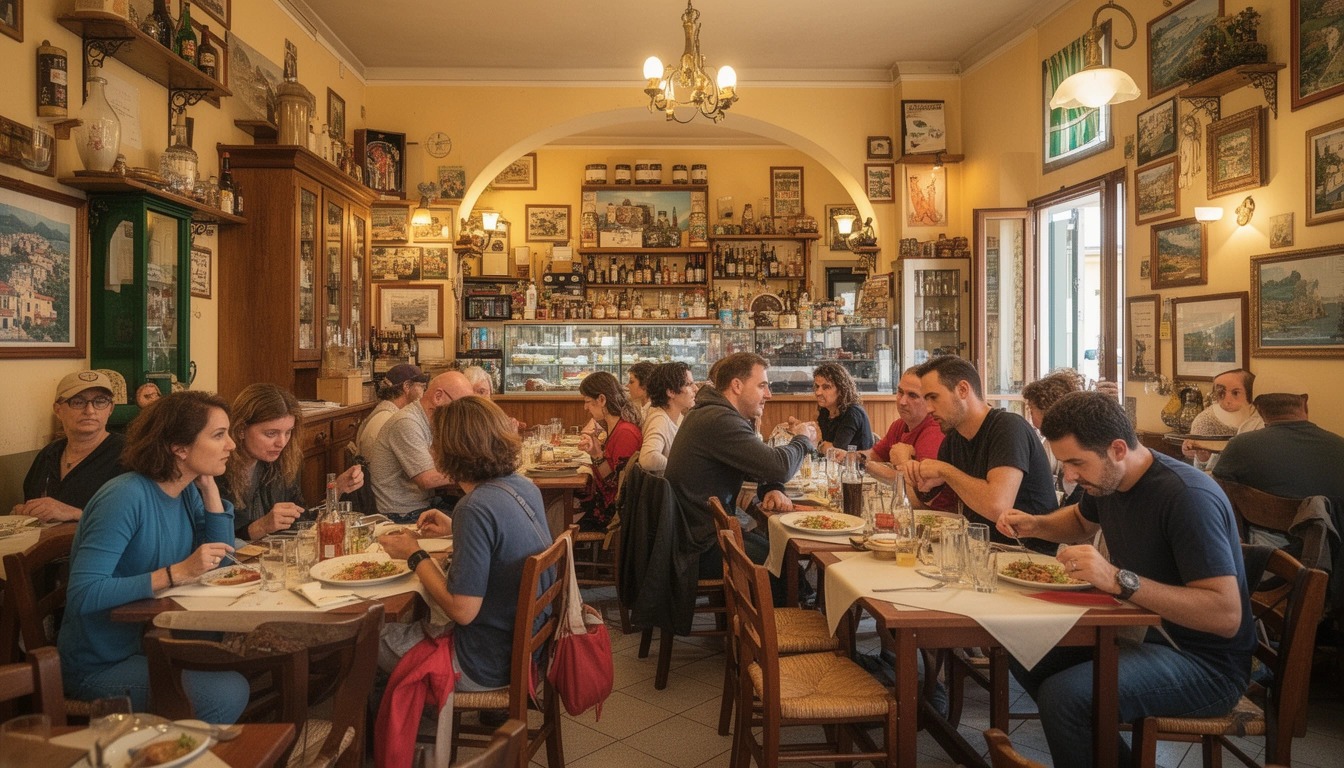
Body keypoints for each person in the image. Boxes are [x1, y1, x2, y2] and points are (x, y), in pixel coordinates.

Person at [997, 392, 1254, 767]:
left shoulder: (1187, 498)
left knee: (1065, 698)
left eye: (1075, 463)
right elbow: (1082, 521)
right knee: (1025, 650)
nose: (1068, 476)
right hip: (1143, 634)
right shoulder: (1107, 481)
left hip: (1205, 664)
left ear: (1118, 449)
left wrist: (1119, 579)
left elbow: (1225, 615)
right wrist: (1035, 523)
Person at [58, 391, 250, 723]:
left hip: (154, 641)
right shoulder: (124, 497)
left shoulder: (185, 488)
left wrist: (209, 488)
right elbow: (83, 594)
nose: (231, 445)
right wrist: (175, 573)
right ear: (179, 447)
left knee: (242, 653)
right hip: (103, 663)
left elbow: (222, 562)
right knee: (228, 691)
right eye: (219, 435)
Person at [377, 396, 554, 738]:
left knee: (366, 637)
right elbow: (502, 547)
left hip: (484, 664)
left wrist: (415, 554)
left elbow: (463, 610)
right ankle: (419, 723)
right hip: (528, 652)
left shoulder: (474, 508)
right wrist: (455, 529)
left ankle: (380, 743)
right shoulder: (522, 486)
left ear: (448, 451)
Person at [664, 352, 817, 591]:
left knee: (781, 553)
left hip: (695, 536)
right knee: (785, 566)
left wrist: (773, 487)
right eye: (762, 386)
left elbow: (759, 467)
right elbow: (779, 466)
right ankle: (789, 623)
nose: (769, 394)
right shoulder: (719, 419)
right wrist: (802, 439)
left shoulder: (714, 413)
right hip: (699, 548)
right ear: (737, 385)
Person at [901, 356, 1056, 547]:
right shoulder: (953, 439)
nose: (929, 408)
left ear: (963, 390)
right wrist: (914, 477)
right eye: (926, 399)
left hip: (1029, 557)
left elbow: (997, 506)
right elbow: (929, 507)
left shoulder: (1008, 427)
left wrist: (945, 471)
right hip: (978, 551)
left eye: (933, 397)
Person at [217, 384, 363, 542]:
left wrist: (337, 489)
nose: (282, 443)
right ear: (240, 430)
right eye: (271, 433)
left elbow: (302, 521)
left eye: (288, 432)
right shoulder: (217, 470)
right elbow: (212, 540)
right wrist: (260, 527)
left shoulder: (281, 464)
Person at [16, 371, 126, 522]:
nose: (90, 411)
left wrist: (75, 513)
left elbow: (139, 521)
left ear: (111, 409)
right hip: (49, 544)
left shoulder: (129, 454)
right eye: (78, 402)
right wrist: (25, 513)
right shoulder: (48, 455)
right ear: (58, 410)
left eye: (100, 401)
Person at [368, 371, 474, 521]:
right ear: (438, 397)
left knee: (476, 516)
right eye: (460, 407)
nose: (462, 414)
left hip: (424, 505)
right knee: (473, 522)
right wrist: (475, 472)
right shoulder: (407, 422)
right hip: (402, 515)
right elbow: (427, 479)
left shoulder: (429, 420)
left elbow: (442, 461)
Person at [1213, 393, 1344, 501]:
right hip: (1334, 531)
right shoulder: (1339, 445)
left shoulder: (1240, 445)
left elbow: (1218, 494)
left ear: (1258, 409)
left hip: (1262, 530)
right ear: (1305, 404)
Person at [863, 368, 953, 510]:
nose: (902, 401)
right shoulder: (900, 425)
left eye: (913, 395)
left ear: (928, 401)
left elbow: (918, 498)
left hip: (935, 518)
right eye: (900, 392)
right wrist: (853, 457)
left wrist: (900, 462)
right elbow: (874, 455)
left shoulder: (934, 431)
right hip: (908, 510)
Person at [574, 371, 643, 532]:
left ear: (602, 399)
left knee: (554, 508)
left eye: (588, 402)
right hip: (604, 503)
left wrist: (597, 455)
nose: (585, 407)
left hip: (610, 514)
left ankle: (557, 552)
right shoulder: (614, 426)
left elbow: (618, 486)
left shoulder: (625, 433)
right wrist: (594, 452)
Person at [1022, 371, 1085, 506]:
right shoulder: (1050, 444)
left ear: (1047, 410)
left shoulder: (1081, 443)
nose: (1032, 421)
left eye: (1032, 410)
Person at [1182, 368, 1263, 471]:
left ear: (1250, 392)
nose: (1227, 400)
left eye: (1235, 393)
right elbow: (1200, 469)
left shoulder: (1261, 416)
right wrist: (1201, 456)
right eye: (1221, 394)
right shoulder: (1205, 420)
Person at [356, 363, 429, 458]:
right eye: (422, 387)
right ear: (406, 386)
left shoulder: (386, 412)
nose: (423, 393)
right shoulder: (390, 420)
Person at [638, 361, 696, 473]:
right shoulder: (660, 420)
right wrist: (679, 466)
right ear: (671, 392)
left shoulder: (675, 416)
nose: (695, 388)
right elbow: (647, 458)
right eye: (688, 384)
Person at [803, 362, 873, 452]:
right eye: (817, 387)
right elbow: (825, 447)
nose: (818, 392)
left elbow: (835, 452)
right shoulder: (825, 411)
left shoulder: (852, 413)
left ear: (841, 390)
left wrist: (819, 444)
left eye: (826, 387)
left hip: (856, 465)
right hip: (834, 465)